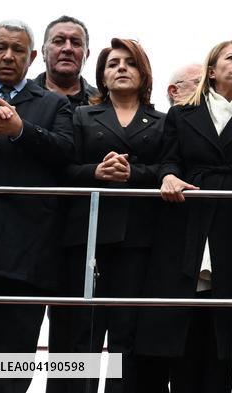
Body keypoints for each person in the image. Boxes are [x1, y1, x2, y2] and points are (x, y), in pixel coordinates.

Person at [133, 40, 232, 393]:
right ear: (212, 70)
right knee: (183, 331)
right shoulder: (181, 115)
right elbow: (168, 159)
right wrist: (168, 176)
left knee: (223, 338)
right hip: (188, 220)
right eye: (231, 58)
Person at [0, 20, 75, 393]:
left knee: (16, 363)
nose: (8, 56)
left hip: (29, 254)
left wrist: (19, 130)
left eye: (18, 50)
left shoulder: (55, 104)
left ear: (32, 57)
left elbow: (65, 154)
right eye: (1, 48)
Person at [48, 39, 165, 393]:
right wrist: (95, 172)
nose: (121, 68)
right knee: (78, 332)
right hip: (86, 238)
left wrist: (135, 174)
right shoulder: (80, 115)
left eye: (130, 62)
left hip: (139, 240)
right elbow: (62, 167)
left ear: (143, 73)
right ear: (102, 75)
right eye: (113, 63)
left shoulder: (162, 121)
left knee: (126, 333)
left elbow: (169, 168)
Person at [35, 15, 97, 108]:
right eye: (59, 41)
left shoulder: (103, 101)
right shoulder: (20, 96)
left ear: (86, 55)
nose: (68, 49)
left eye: (76, 43)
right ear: (44, 51)